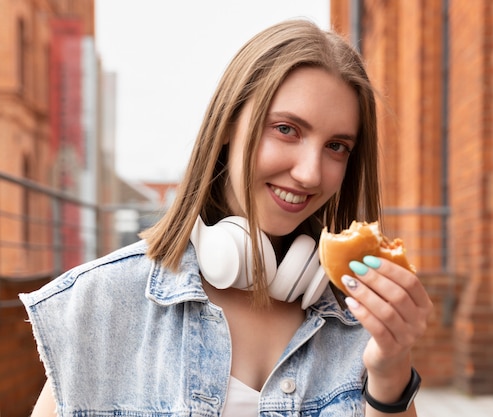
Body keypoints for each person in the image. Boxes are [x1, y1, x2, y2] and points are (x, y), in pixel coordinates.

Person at [22, 19, 433, 417]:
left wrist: (389, 371)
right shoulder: (103, 303)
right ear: (226, 127)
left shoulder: (359, 318)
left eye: (337, 146)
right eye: (287, 129)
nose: (310, 172)